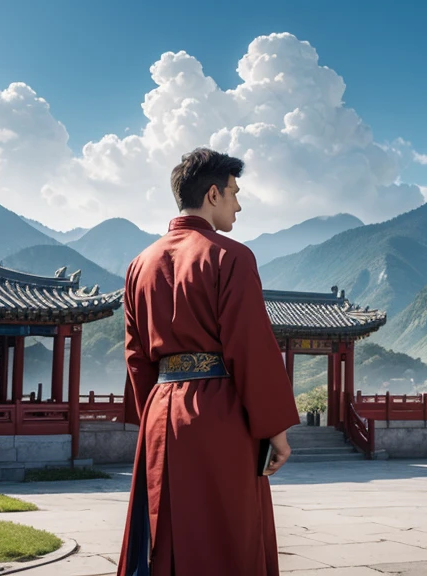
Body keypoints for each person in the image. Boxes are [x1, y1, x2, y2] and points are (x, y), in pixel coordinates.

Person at [116, 148, 300, 576]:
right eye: (234, 193)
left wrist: (153, 418)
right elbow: (250, 345)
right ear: (213, 193)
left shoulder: (138, 266)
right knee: (227, 536)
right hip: (219, 413)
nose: (238, 204)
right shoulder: (231, 256)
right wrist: (276, 429)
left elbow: (136, 357)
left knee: (161, 535)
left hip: (161, 413)